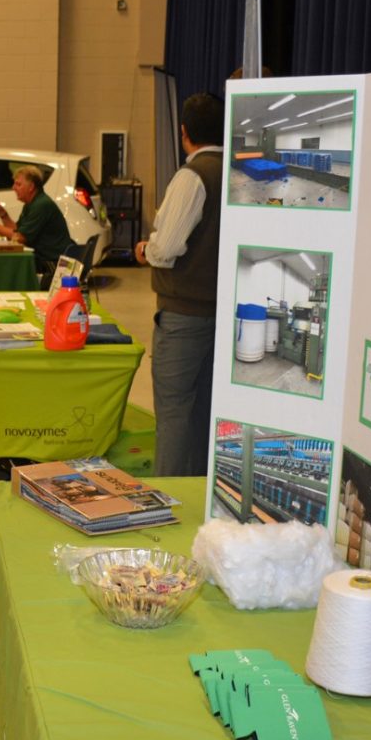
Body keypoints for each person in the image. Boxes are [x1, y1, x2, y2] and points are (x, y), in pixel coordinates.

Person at [133, 92, 225, 477]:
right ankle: (201, 496)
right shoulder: (240, 171)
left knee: (173, 414)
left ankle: (167, 497)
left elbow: (167, 248)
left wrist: (143, 250)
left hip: (183, 316)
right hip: (222, 313)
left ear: (184, 132)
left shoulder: (192, 176)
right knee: (205, 413)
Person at [0, 164, 73, 286]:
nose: (14, 187)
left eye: (18, 184)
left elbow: (19, 237)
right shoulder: (32, 203)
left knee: (5, 268)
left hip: (52, 264)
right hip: (45, 260)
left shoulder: (41, 205)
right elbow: (16, 230)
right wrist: (2, 213)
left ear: (31, 187)